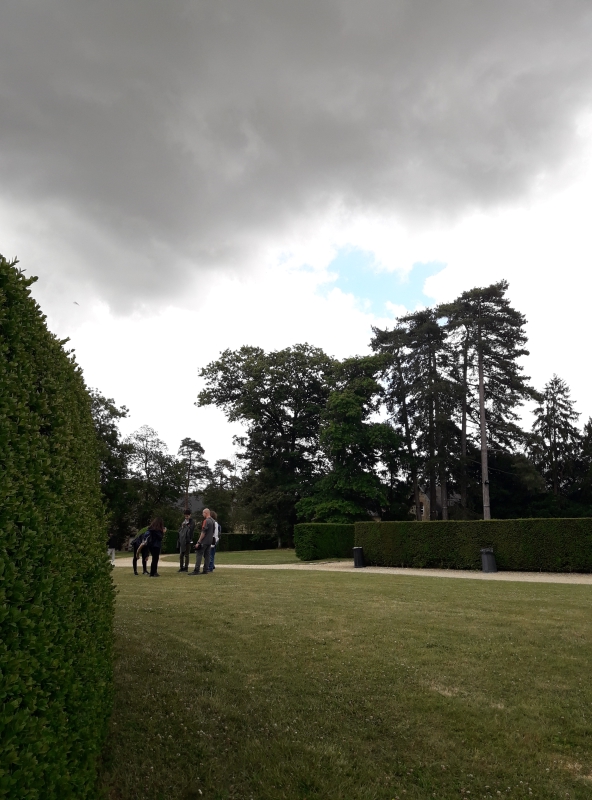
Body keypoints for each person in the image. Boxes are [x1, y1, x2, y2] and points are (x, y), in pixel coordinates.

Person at [190, 508, 216, 575]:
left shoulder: (206, 521)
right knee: (207, 556)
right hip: (209, 541)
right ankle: (205, 570)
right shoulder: (213, 521)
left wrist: (198, 542)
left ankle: (196, 570)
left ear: (206, 513)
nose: (202, 514)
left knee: (199, 554)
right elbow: (213, 531)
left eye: (203, 513)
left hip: (204, 541)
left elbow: (203, 532)